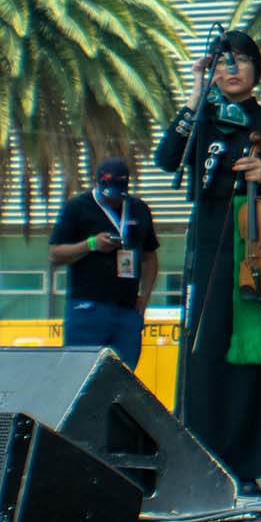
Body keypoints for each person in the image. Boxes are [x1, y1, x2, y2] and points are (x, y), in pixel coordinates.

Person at [153, 31, 261, 489]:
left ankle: (259, 462)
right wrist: (194, 97)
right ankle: (204, 460)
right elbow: (166, 160)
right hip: (210, 247)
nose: (233, 69)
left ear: (257, 70)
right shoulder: (201, 122)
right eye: (223, 61)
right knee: (206, 350)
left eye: (242, 61)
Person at [49, 157, 160, 369]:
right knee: (81, 374)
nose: (114, 198)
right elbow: (55, 254)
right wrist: (91, 244)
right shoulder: (77, 208)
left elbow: (150, 257)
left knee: (124, 378)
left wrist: (144, 298)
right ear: (97, 182)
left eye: (119, 191)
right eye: (108, 190)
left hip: (127, 310)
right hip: (88, 308)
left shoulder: (139, 209)